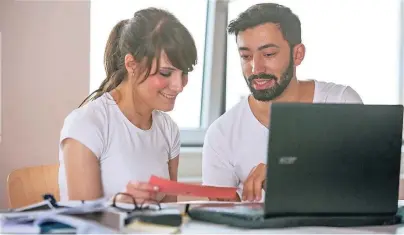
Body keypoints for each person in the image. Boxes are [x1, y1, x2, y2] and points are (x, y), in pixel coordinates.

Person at [202, 3, 363, 202]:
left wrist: (290, 173)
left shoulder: (341, 103)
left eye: (268, 54)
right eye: (246, 56)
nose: (255, 68)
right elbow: (218, 220)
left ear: (298, 54)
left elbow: (362, 188)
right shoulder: (221, 134)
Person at [58, 7, 197, 203]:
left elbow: (168, 216)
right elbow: (85, 222)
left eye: (184, 73)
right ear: (131, 65)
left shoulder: (168, 130)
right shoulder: (87, 124)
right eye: (166, 73)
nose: (179, 85)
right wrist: (120, 203)